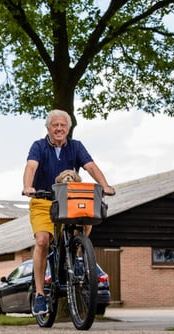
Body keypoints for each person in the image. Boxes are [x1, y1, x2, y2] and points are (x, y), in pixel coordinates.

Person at [22, 109, 115, 315]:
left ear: (69, 128)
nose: (59, 128)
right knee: (42, 241)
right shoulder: (38, 146)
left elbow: (90, 166)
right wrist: (29, 186)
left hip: (69, 200)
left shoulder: (76, 147)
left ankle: (77, 254)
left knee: (87, 217)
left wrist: (105, 185)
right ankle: (39, 295)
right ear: (48, 128)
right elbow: (31, 167)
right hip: (43, 201)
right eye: (55, 125)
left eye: (63, 125)